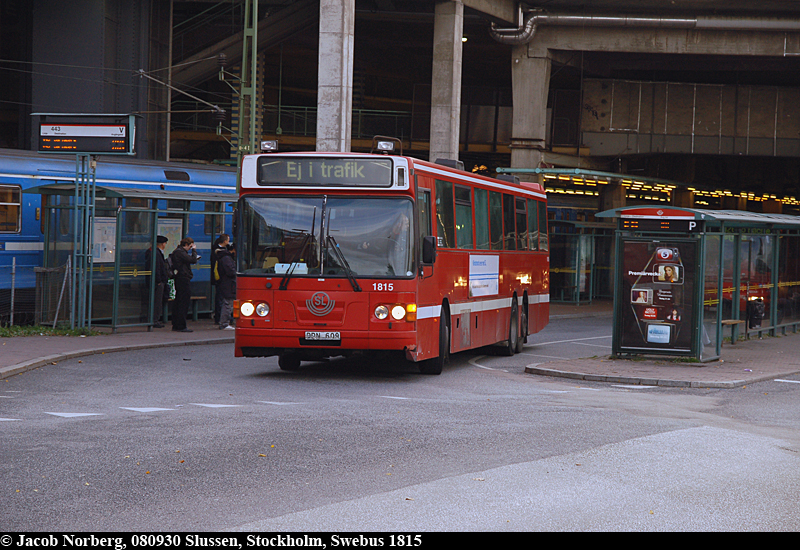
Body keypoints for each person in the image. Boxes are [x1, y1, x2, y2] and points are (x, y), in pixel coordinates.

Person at [170, 237, 199, 332]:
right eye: (190, 247)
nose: (190, 249)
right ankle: (181, 325)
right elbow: (193, 260)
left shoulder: (178, 252)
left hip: (181, 278)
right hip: (183, 278)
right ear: (186, 244)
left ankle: (176, 324)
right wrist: (194, 251)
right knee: (183, 302)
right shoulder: (180, 252)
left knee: (179, 301)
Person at [146, 235, 170, 328]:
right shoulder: (156, 253)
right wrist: (159, 281)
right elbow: (157, 268)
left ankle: (154, 319)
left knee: (157, 301)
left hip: (156, 281)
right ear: (163, 244)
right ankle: (155, 320)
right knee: (157, 302)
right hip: (157, 282)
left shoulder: (153, 252)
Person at [214, 234, 237, 330]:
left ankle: (224, 322)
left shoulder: (221, 257)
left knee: (226, 303)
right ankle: (224, 323)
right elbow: (230, 271)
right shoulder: (226, 258)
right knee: (228, 304)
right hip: (228, 283)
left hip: (225, 282)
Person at [210, 234, 224, 325]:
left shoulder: (216, 249)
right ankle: (219, 318)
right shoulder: (218, 252)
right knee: (220, 299)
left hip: (218, 278)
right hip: (220, 279)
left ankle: (219, 317)